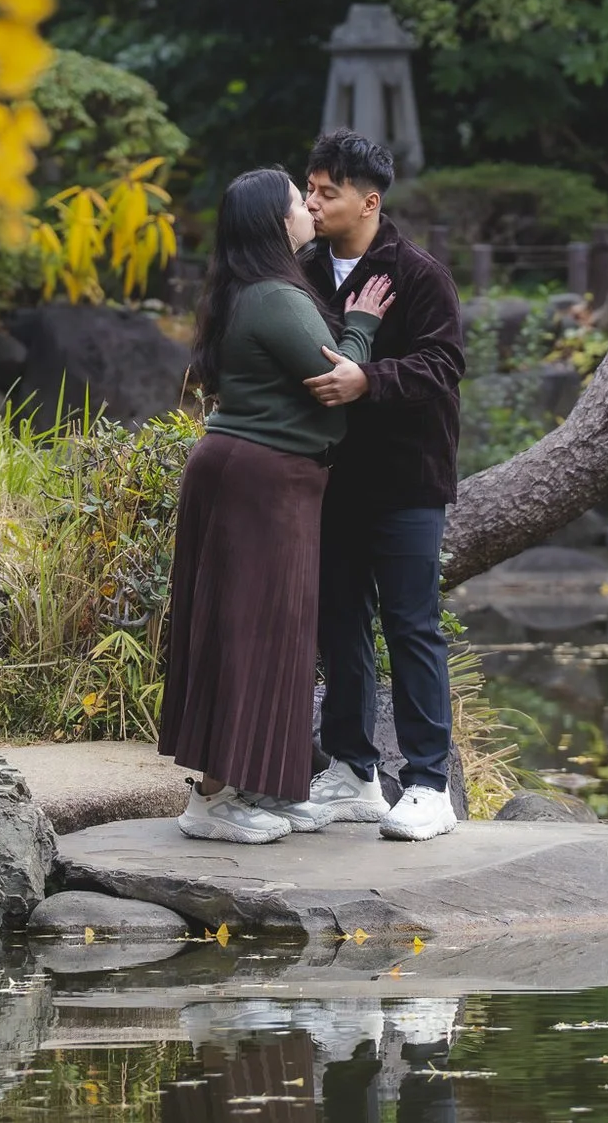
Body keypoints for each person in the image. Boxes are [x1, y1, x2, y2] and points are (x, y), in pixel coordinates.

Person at [159, 166, 393, 843]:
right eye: (298, 199)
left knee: (267, 631)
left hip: (255, 474)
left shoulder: (247, 290)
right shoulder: (274, 296)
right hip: (261, 478)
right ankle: (210, 801)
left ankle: (253, 785)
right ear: (272, 221)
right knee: (247, 631)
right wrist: (362, 325)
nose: (309, 207)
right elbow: (334, 380)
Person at [298, 131, 468, 842]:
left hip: (406, 481)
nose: (312, 202)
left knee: (411, 624)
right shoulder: (302, 268)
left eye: (327, 192)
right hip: (327, 478)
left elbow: (443, 364)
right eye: (309, 189)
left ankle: (429, 783)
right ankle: (352, 772)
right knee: (339, 624)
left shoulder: (419, 274)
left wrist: (368, 379)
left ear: (369, 201)